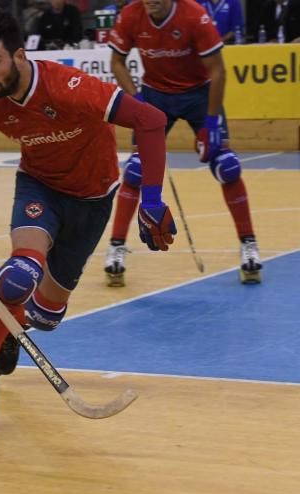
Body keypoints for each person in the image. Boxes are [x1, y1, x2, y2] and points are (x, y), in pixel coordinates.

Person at [0, 9, 172, 437]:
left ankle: (7, 328)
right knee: (19, 274)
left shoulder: (68, 86)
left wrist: (151, 198)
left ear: (19, 56)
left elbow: (151, 120)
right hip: (40, 192)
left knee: (46, 316)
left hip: (93, 201)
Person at [105, 0, 263, 286]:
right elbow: (116, 61)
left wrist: (212, 122)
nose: (150, 2)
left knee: (227, 167)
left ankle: (249, 244)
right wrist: (135, 98)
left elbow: (218, 71)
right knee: (136, 171)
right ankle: (116, 247)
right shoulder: (131, 14)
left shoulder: (194, 15)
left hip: (198, 95)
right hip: (154, 95)